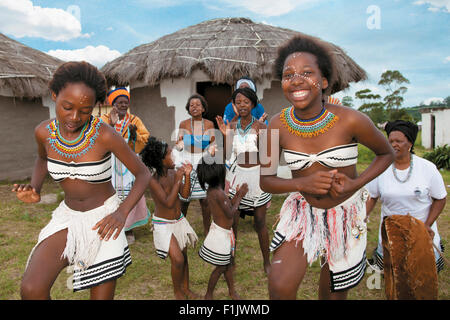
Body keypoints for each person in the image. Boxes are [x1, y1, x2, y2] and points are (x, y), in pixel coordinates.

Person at [260, 35, 394, 300]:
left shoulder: (352, 120)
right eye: (288, 75)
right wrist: (301, 184)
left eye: (307, 73)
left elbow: (386, 153)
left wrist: (356, 184)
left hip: (345, 215)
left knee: (333, 294)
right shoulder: (275, 126)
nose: (296, 79)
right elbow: (266, 180)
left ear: (323, 82)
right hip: (302, 214)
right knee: (279, 285)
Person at [12, 61, 151, 299]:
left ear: (96, 106)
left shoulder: (105, 135)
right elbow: (42, 159)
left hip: (104, 220)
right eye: (67, 107)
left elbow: (143, 174)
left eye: (85, 111)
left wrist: (122, 213)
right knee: (32, 289)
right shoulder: (43, 132)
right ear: (54, 95)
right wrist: (34, 188)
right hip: (67, 217)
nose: (75, 117)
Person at [365, 120, 447, 273]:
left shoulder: (427, 168)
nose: (393, 144)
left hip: (420, 228)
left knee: (424, 271)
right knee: (392, 271)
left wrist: (428, 224)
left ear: (410, 143)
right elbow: (372, 196)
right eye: (390, 141)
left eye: (399, 141)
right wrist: (361, 218)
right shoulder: (380, 167)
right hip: (391, 230)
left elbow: (440, 198)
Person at [216, 87, 272, 274]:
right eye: (238, 102)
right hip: (238, 176)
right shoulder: (231, 127)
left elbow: (267, 159)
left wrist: (266, 180)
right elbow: (227, 154)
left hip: (257, 178)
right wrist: (225, 137)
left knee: (260, 222)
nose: (242, 105)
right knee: (234, 221)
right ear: (234, 105)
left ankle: (266, 262)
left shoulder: (262, 127)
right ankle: (230, 259)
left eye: (246, 102)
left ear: (253, 104)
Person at [140, 137, 199, 300]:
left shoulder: (174, 173)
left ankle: (186, 288)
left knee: (184, 256)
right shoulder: (153, 181)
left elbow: (185, 195)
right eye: (168, 154)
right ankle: (177, 292)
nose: (172, 154)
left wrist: (186, 176)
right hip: (163, 224)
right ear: (160, 161)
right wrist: (179, 179)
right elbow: (167, 203)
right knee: (178, 259)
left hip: (178, 220)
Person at [100, 87, 151, 244]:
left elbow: (145, 137)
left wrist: (134, 135)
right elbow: (98, 136)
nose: (123, 105)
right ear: (113, 103)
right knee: (110, 193)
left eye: (125, 102)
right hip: (110, 163)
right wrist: (111, 125)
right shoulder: (104, 119)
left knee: (130, 192)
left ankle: (128, 228)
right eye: (119, 102)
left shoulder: (135, 120)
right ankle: (108, 225)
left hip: (129, 162)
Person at [196, 157, 248, 300]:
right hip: (221, 236)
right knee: (221, 268)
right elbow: (231, 212)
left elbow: (228, 206)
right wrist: (241, 196)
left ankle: (232, 292)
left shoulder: (214, 191)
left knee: (228, 264)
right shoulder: (218, 193)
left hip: (224, 233)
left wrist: (236, 196)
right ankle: (209, 295)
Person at [174, 94, 215, 235]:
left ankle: (207, 230)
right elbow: (179, 144)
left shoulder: (209, 124)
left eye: (198, 105)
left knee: (205, 200)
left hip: (203, 162)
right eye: (192, 105)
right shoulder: (184, 124)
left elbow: (213, 144)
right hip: (187, 161)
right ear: (188, 108)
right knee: (184, 199)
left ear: (203, 108)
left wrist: (212, 151)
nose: (195, 107)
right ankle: (180, 228)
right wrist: (179, 144)